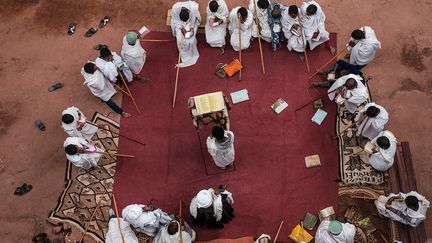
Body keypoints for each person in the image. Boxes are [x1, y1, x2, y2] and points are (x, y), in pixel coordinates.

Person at [171, 1, 201, 67]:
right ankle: (184, 54)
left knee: (191, 40)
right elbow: (175, 21)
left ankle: (192, 52)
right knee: (179, 40)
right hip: (179, 23)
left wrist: (192, 29)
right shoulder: (175, 8)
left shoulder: (193, 10)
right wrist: (182, 29)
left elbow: (195, 20)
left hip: (192, 23)